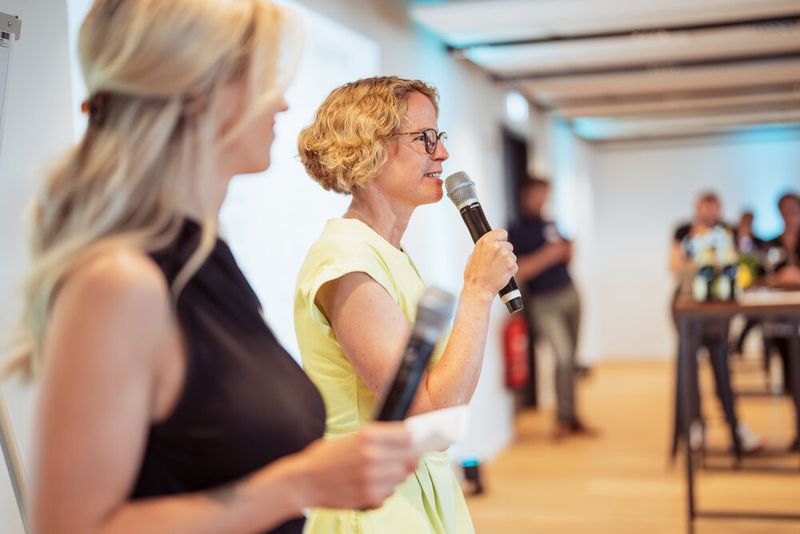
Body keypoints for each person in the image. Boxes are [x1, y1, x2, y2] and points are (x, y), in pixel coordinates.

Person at [5, 2, 421, 533]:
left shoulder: (205, 260)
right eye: (263, 79)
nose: (282, 101)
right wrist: (299, 483)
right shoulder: (120, 281)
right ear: (199, 93)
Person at [294, 76, 516, 533]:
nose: (442, 154)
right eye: (424, 138)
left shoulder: (385, 251)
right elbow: (429, 410)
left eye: (440, 137)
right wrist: (476, 292)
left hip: (413, 486)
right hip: (375, 503)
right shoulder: (347, 261)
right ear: (369, 147)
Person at [670, 192, 763, 453]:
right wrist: (698, 246)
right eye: (705, 207)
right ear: (697, 208)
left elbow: (744, 260)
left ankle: (735, 427)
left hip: (718, 310)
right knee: (689, 369)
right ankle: (694, 426)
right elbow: (674, 267)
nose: (710, 213)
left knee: (722, 366)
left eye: (714, 208)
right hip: (689, 308)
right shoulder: (683, 231)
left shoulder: (728, 232)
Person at [507, 178, 593, 438]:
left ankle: (571, 417)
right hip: (544, 302)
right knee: (563, 356)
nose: (543, 199)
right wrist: (550, 255)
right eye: (539, 194)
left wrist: (566, 251)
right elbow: (519, 270)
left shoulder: (550, 223)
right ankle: (562, 419)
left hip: (570, 293)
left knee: (571, 361)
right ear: (526, 194)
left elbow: (565, 252)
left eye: (546, 194)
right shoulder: (516, 228)